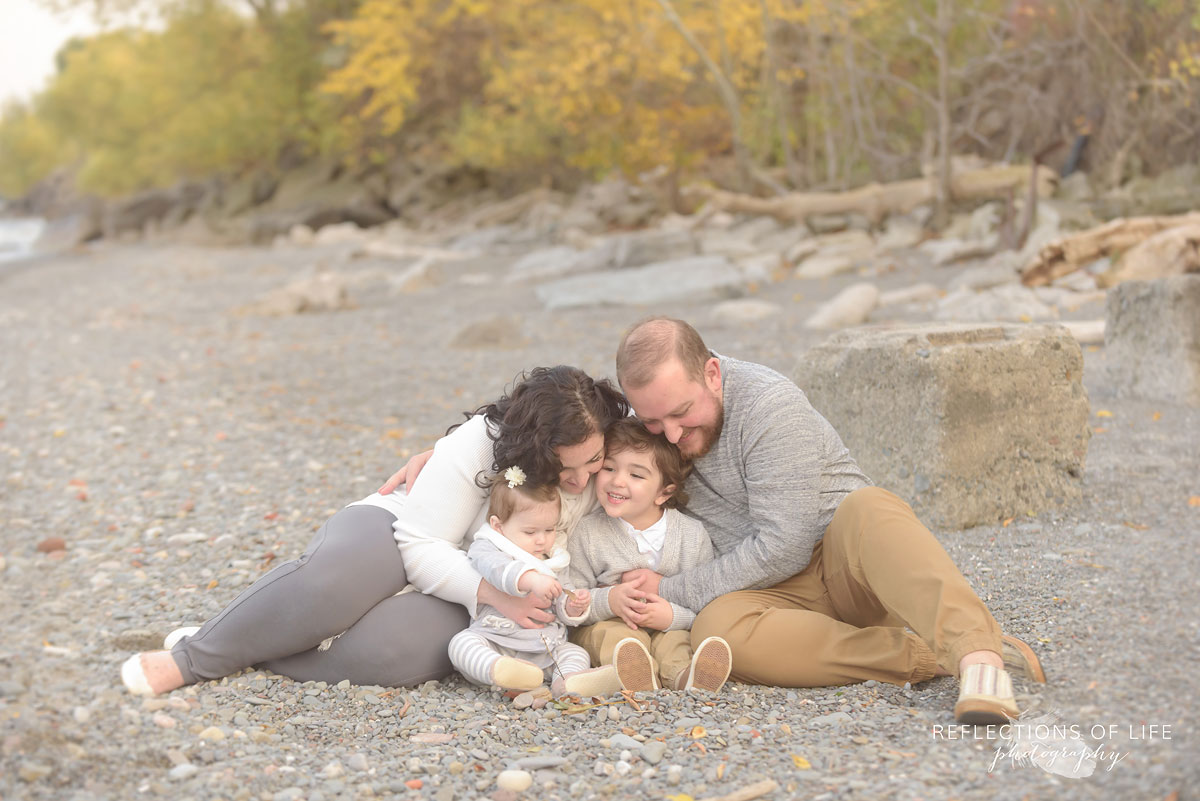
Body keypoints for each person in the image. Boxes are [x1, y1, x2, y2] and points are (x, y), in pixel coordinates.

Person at [607, 317, 1046, 725]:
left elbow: (786, 546)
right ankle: (931, 655)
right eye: (651, 421)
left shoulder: (768, 406)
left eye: (682, 412)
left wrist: (668, 588)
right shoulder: (650, 428)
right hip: (767, 597)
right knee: (715, 633)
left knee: (869, 506)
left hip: (849, 570)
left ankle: (980, 661)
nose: (670, 435)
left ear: (713, 375)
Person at [120, 366, 628, 696]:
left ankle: (257, 648)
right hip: (405, 528)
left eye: (594, 461)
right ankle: (193, 658)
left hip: (479, 591)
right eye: (564, 469)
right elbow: (420, 543)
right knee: (332, 581)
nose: (582, 480)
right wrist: (498, 593)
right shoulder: (481, 443)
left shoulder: (611, 444)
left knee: (395, 654)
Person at [566, 418, 732, 694]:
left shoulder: (691, 536)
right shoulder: (587, 532)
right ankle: (635, 675)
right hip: (609, 623)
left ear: (664, 492)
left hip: (670, 625)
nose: (617, 481)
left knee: (676, 642)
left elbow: (704, 601)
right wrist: (609, 600)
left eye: (636, 475)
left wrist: (670, 617)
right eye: (609, 468)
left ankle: (687, 677)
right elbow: (572, 602)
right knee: (614, 638)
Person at [446, 468, 600, 694]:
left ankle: (566, 682)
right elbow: (494, 568)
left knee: (575, 653)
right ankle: (499, 671)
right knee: (461, 644)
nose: (541, 540)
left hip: (544, 651)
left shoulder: (554, 558)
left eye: (549, 529)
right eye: (530, 532)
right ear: (498, 526)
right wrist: (530, 580)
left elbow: (560, 595)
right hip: (496, 641)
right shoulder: (489, 546)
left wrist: (571, 606)